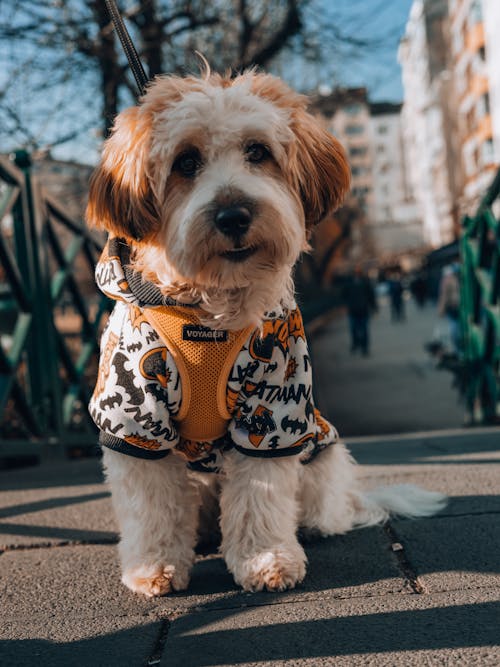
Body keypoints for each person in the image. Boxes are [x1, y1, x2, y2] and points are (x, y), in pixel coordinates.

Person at [342, 265, 377, 356]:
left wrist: (374, 307)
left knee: (364, 330)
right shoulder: (348, 282)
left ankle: (365, 348)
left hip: (363, 310)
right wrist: (345, 306)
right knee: (353, 329)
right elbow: (343, 295)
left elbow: (371, 295)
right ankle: (355, 344)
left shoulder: (365, 281)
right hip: (352, 310)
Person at [437, 264, 460, 353]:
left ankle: (457, 349)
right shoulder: (451, 279)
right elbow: (444, 295)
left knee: (455, 328)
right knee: (455, 328)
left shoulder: (447, 280)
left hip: (454, 306)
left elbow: (444, 295)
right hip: (454, 306)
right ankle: (458, 349)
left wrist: (441, 310)